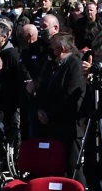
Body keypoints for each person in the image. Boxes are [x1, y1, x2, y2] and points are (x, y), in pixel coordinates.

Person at [33, 32, 87, 175]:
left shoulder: (75, 65)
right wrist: (40, 109)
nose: (50, 50)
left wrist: (49, 113)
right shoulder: (51, 65)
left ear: (62, 49)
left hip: (68, 125)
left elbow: (70, 94)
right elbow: (41, 86)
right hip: (50, 125)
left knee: (71, 167)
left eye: (53, 47)